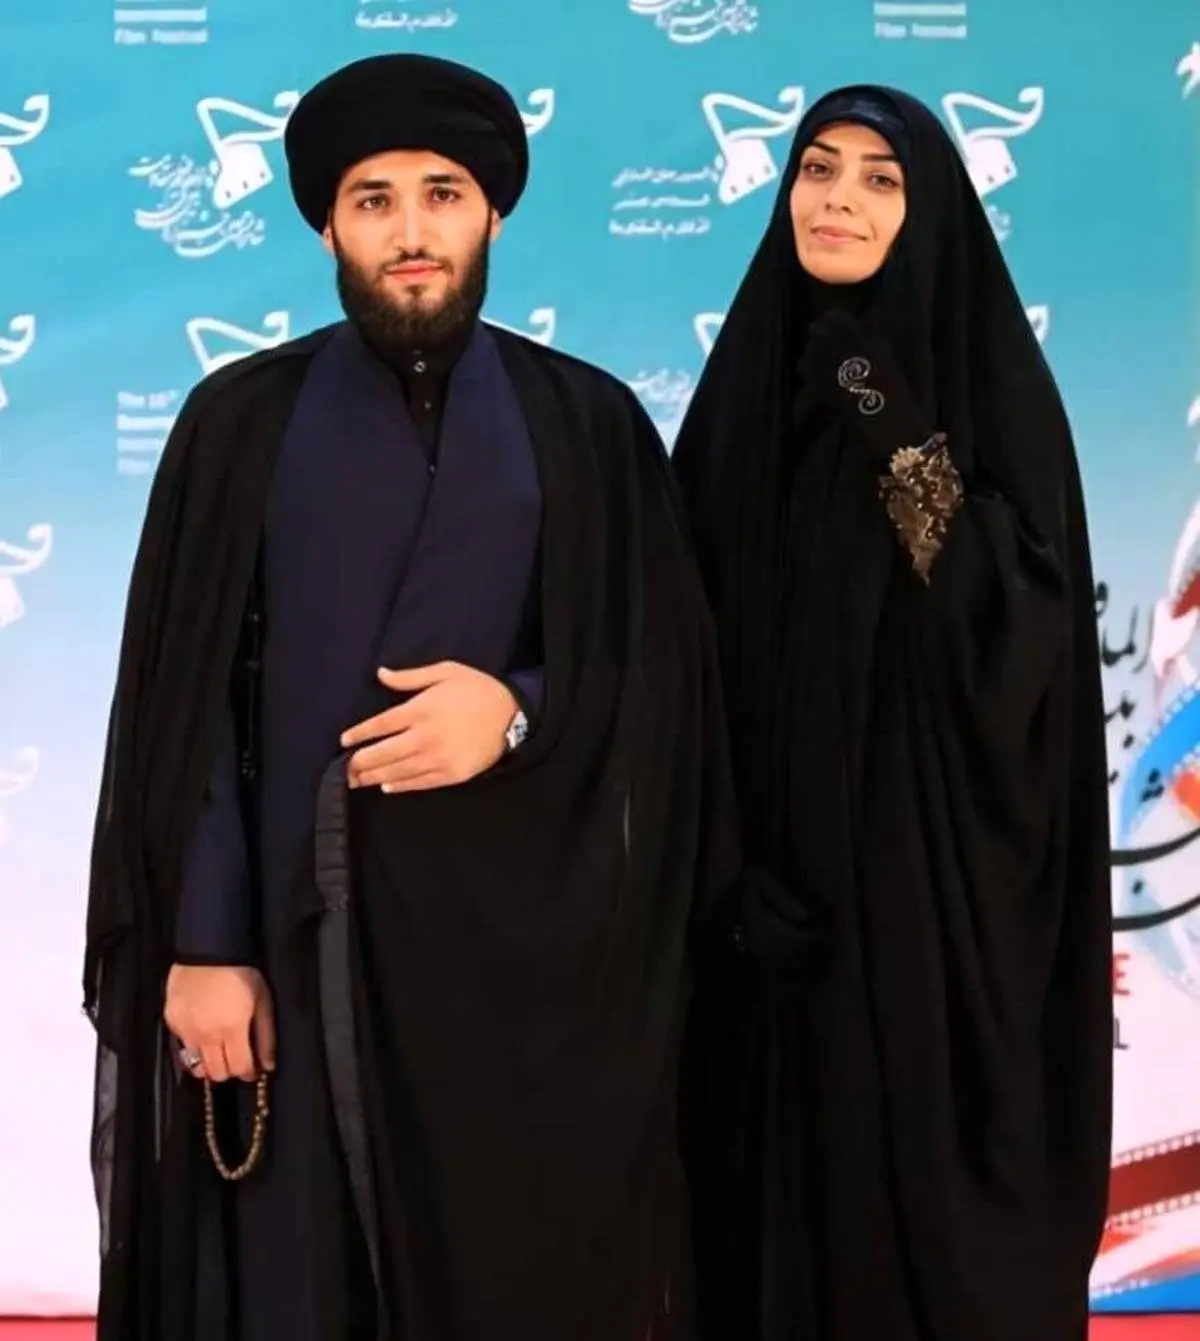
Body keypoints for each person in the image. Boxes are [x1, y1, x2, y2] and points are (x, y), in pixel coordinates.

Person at [83, 52, 738, 1341]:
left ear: (493, 212)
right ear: (327, 226)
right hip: (290, 945)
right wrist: (205, 944)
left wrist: (517, 711)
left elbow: (664, 684)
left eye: (442, 194)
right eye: (373, 200)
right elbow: (184, 709)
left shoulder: (590, 424)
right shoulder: (238, 423)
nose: (412, 231)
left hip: (529, 963)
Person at [673, 86, 1112, 1341]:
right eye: (818, 169)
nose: (839, 200)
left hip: (926, 916)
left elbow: (1003, 629)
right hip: (764, 923)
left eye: (881, 179)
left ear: (930, 213)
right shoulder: (744, 399)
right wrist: (720, 869)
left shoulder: (987, 394)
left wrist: (879, 404)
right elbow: (675, 661)